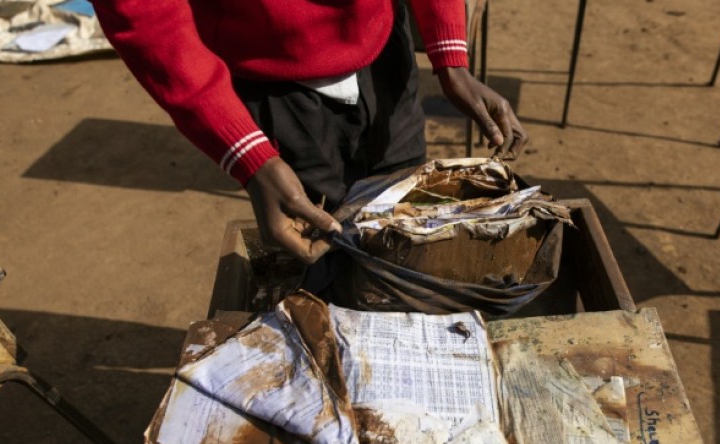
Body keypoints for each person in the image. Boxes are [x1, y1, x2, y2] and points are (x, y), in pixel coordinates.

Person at [93, 0, 528, 271]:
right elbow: (144, 12)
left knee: (405, 225)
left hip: (382, 50)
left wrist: (449, 52)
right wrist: (247, 154)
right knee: (325, 254)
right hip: (269, 77)